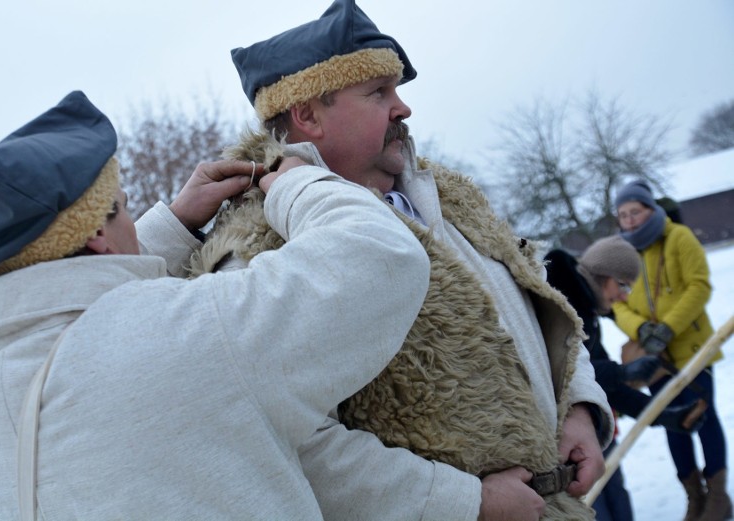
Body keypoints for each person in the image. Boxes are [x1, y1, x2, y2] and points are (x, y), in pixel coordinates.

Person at [0, 91, 432, 519]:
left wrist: (175, 225)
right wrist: (295, 185)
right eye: (126, 209)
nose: (134, 222)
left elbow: (79, 324)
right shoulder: (192, 335)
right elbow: (378, 255)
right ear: (94, 232)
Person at [191, 2, 614, 519]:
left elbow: (538, 308)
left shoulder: (455, 196)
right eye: (378, 93)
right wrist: (465, 502)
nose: (403, 108)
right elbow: (282, 438)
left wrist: (580, 408)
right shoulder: (257, 248)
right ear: (307, 115)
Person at [545, 235, 707, 521]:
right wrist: (622, 371)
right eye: (622, 285)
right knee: (595, 510)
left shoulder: (586, 312)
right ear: (603, 276)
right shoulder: (559, 305)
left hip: (592, 434)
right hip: (563, 441)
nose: (624, 297)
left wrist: (664, 415)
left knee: (616, 497)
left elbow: (604, 384)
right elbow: (566, 371)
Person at [613, 179, 730, 521]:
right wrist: (640, 329)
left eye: (635, 211)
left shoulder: (678, 236)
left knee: (704, 419)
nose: (630, 220)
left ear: (651, 210)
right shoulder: (623, 254)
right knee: (673, 425)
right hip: (654, 360)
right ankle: (694, 498)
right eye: (623, 215)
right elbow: (615, 304)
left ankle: (718, 498)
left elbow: (699, 286)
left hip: (693, 348)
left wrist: (668, 328)